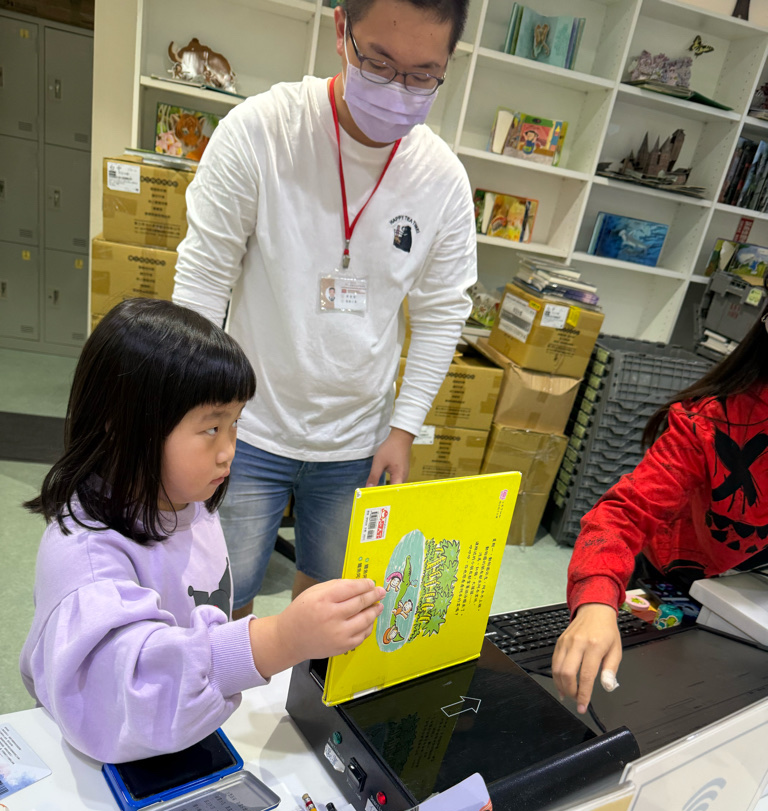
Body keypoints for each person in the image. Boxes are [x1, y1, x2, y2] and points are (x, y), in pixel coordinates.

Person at [172, 0, 476, 619]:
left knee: (332, 604)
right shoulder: (262, 130)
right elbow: (203, 278)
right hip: (247, 428)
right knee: (222, 601)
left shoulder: (442, 179)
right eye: (379, 62)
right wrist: (193, 415)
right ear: (341, 30)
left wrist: (403, 429)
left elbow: (443, 313)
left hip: (359, 440)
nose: (398, 90)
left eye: (423, 75)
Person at [19, 299, 385, 764]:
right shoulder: (86, 557)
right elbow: (123, 696)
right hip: (101, 757)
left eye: (235, 424)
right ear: (125, 426)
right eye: (212, 427)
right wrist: (279, 640)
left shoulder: (186, 499)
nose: (229, 450)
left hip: (181, 731)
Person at [552, 313, 768, 714]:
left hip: (750, 600)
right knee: (647, 700)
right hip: (673, 582)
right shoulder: (711, 422)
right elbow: (623, 514)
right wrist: (597, 600)